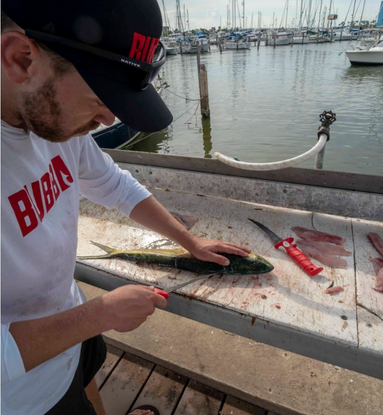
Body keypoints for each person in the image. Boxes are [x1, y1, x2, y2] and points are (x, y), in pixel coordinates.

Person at [0, 0, 251, 414]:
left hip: (71, 320)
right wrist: (97, 315)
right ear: (20, 58)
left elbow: (115, 185)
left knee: (88, 379)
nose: (110, 117)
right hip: (23, 397)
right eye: (101, 93)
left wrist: (189, 241)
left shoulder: (56, 123)